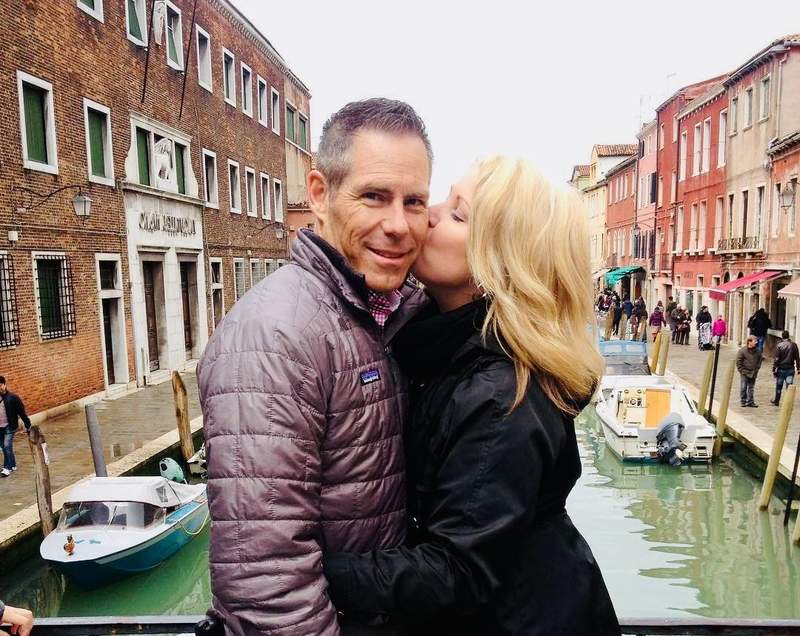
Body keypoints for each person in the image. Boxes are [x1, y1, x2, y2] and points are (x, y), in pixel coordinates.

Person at [323, 157, 620, 635]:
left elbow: (456, 571)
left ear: (500, 263)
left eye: (458, 215)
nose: (430, 215)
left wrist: (307, 568)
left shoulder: (501, 395)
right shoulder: (440, 350)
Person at [196, 98, 432, 635]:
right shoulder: (276, 337)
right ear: (321, 195)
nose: (398, 225)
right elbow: (266, 575)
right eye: (374, 196)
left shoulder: (388, 313)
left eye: (414, 201)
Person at [0, 376, 32, 478]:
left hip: (10, 426)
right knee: (5, 447)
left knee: (6, 446)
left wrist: (28, 425)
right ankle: (13, 464)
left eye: (0, 385)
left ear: (4, 385)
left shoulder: (13, 398)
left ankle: (7, 468)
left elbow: (21, 412)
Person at [771, 330, 800, 406]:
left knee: (779, 386)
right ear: (788, 336)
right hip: (790, 369)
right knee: (789, 386)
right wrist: (798, 368)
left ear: (782, 336)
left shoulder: (779, 345)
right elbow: (797, 358)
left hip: (781, 369)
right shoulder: (794, 345)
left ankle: (776, 401)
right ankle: (788, 402)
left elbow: (776, 359)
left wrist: (774, 369)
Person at [736, 335, 762, 407]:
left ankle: (750, 401)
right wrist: (741, 370)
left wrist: (757, 368)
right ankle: (743, 401)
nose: (756, 343)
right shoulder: (742, 351)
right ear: (749, 342)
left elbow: (760, 359)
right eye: (755, 341)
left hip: (753, 372)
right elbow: (738, 362)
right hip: (744, 372)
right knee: (743, 387)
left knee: (751, 387)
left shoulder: (758, 351)